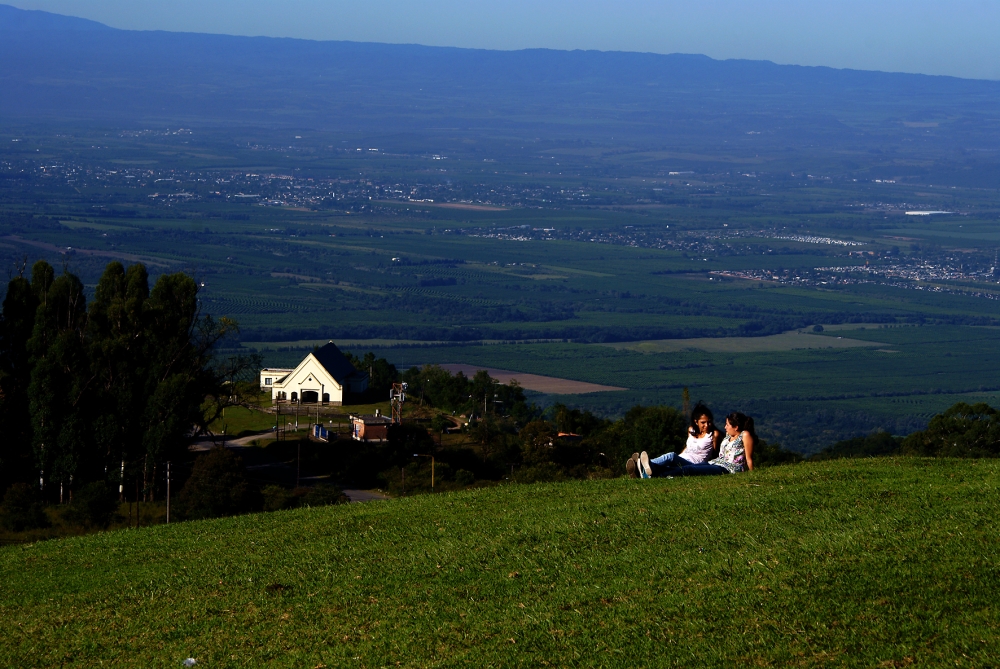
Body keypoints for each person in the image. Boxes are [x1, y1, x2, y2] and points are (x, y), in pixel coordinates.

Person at [627, 404, 721, 478]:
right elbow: (687, 447)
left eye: (709, 422)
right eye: (703, 423)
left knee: (671, 456)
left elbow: (715, 453)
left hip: (694, 464)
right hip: (683, 458)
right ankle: (641, 472)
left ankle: (645, 464)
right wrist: (680, 456)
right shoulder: (691, 430)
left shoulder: (713, 434)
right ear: (696, 422)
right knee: (666, 467)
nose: (707, 425)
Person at [678, 411, 756, 476]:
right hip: (717, 462)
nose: (725, 427)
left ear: (736, 427)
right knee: (691, 466)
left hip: (729, 467)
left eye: (727, 425)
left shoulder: (745, 435)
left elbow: (749, 458)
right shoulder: (728, 435)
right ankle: (668, 472)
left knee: (691, 469)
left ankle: (667, 474)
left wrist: (752, 474)